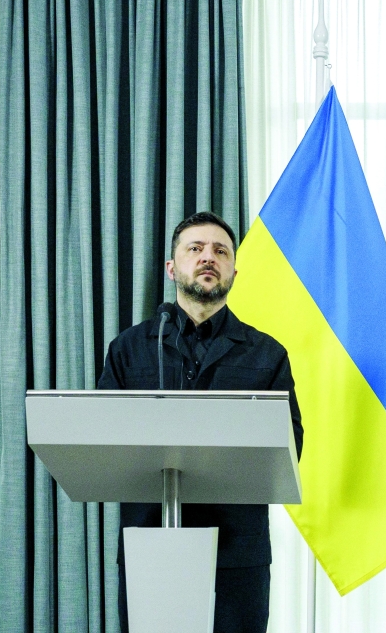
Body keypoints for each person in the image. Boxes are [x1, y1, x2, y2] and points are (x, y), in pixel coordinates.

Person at [98, 211, 303, 633]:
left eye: (221, 251)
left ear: (233, 273)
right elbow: (102, 440)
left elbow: (290, 445)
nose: (209, 257)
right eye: (195, 249)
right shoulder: (129, 349)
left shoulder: (267, 354)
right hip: (150, 543)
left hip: (237, 553)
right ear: (172, 268)